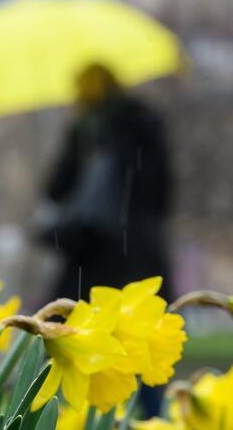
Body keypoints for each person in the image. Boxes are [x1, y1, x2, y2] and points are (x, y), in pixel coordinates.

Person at [36, 64, 173, 417]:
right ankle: (155, 421)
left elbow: (54, 189)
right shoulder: (146, 124)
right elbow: (163, 195)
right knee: (144, 358)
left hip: (93, 255)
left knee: (82, 353)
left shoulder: (88, 129)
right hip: (139, 254)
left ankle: (76, 420)